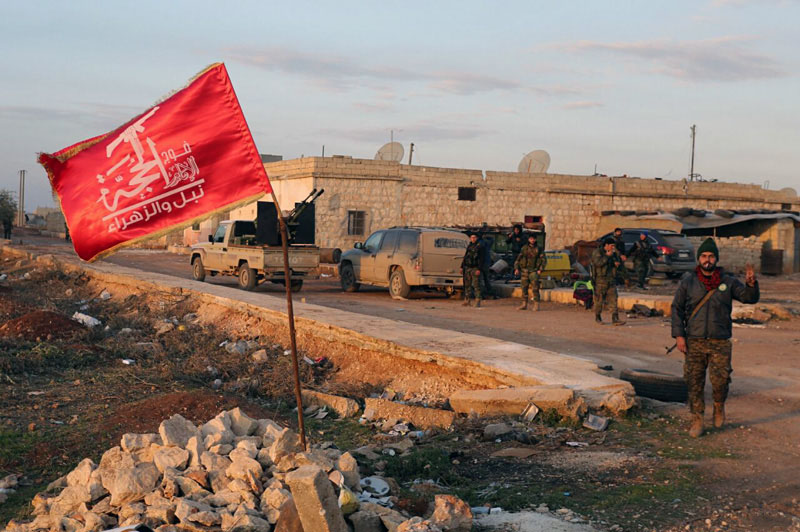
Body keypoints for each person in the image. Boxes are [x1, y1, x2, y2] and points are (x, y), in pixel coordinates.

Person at [671, 237, 759, 438]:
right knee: (694, 381)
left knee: (720, 381)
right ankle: (697, 419)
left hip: (720, 340)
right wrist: (679, 335)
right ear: (698, 259)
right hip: (694, 340)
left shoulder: (728, 282)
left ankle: (719, 407)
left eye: (711, 256)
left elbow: (748, 298)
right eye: (704, 256)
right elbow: (676, 308)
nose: (707, 260)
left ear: (716, 259)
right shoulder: (688, 282)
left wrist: (751, 285)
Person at [591, 237, 625, 325]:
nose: (613, 247)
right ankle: (598, 317)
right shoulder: (598, 252)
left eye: (614, 246)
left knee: (613, 299)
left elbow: (618, 263)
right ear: (606, 245)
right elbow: (598, 263)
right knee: (599, 300)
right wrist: (607, 256)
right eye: (611, 246)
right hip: (600, 280)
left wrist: (616, 264)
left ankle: (615, 318)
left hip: (611, 279)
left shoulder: (614, 254)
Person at [514, 234, 547, 310]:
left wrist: (540, 270)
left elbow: (544, 260)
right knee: (524, 288)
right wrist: (516, 268)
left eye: (533, 239)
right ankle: (524, 304)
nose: (532, 240)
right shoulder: (524, 248)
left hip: (534, 271)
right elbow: (518, 259)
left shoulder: (539, 248)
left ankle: (536, 304)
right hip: (525, 270)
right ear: (529, 239)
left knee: (535, 288)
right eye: (531, 239)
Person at [461, 232, 485, 307]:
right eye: (471, 237)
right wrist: (461, 266)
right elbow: (465, 257)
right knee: (467, 285)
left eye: (474, 237)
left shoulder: (480, 247)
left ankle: (478, 300)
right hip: (468, 268)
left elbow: (482, 259)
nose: (473, 239)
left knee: (476, 285)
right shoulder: (469, 246)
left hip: (475, 268)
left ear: (477, 238)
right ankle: (467, 300)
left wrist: (479, 269)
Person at [480, 233, 495, 299]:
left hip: (482, 263)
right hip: (486, 263)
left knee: (481, 280)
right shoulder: (486, 243)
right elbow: (492, 239)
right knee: (486, 279)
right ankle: (489, 293)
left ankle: (482, 294)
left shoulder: (480, 244)